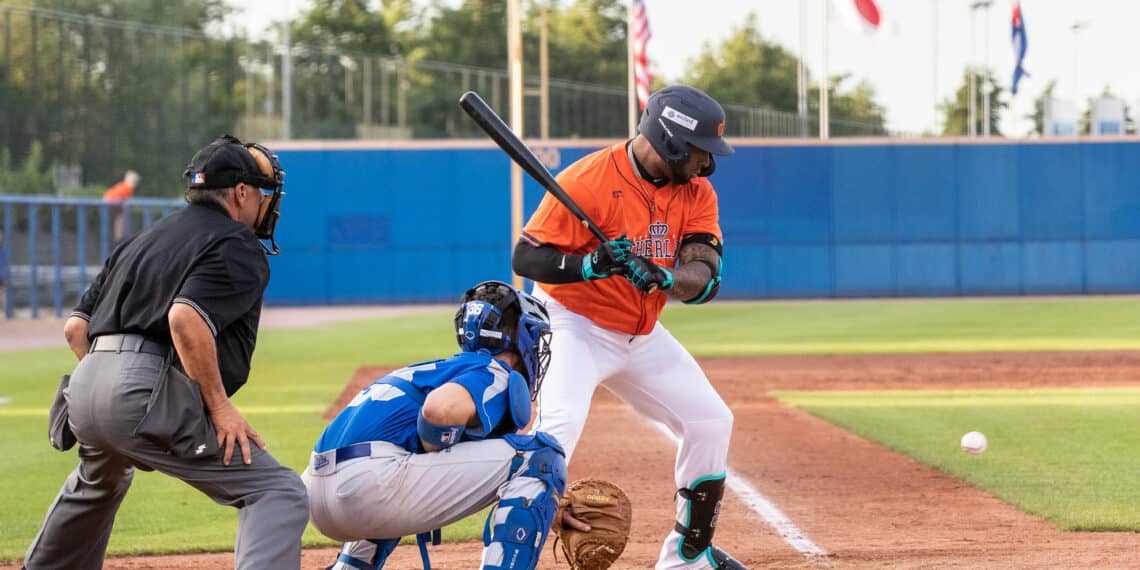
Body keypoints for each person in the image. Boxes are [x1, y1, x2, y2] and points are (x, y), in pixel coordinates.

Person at [23, 135, 303, 569]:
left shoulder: (143, 237)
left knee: (100, 481)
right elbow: (185, 319)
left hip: (84, 387)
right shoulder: (236, 242)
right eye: (261, 192)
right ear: (240, 193)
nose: (266, 202)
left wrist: (114, 390)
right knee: (277, 491)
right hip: (138, 390)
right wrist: (219, 408)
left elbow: (76, 328)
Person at [512, 85, 745, 570]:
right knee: (555, 432)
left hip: (639, 333)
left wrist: (665, 277)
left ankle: (686, 561)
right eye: (701, 151)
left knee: (710, 421)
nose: (707, 164)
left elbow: (705, 276)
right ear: (671, 143)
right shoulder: (587, 180)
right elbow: (527, 257)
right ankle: (508, 557)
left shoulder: (697, 192)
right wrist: (590, 265)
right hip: (572, 323)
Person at [303, 280, 575, 570]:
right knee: (540, 458)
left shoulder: (433, 369)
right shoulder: (492, 371)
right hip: (367, 488)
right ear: (520, 338)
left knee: (404, 457)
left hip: (316, 495)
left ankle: (349, 566)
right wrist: (434, 448)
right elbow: (438, 410)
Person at [102, 169, 139, 242]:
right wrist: (122, 202)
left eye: (134, 182)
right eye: (133, 181)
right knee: (120, 218)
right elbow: (117, 197)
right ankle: (118, 236)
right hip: (111, 203)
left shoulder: (125, 187)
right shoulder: (126, 188)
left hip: (110, 203)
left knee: (120, 218)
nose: (134, 184)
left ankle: (118, 236)